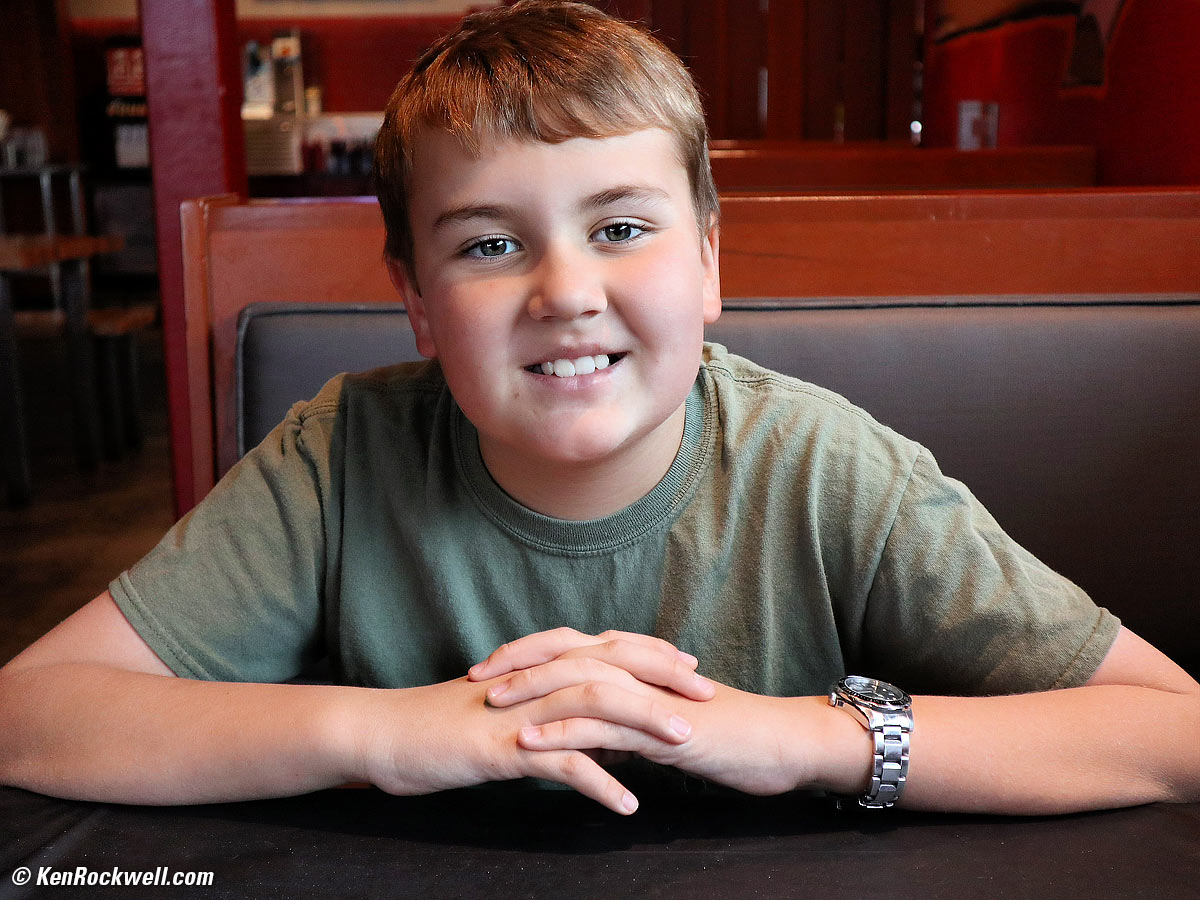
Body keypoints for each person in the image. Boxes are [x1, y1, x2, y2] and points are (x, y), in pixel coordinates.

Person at [1, 1, 1197, 817]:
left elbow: (1172, 728)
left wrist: (790, 738)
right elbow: (32, 714)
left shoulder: (828, 466)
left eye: (621, 227)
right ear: (416, 305)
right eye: (488, 244)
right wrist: (394, 733)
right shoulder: (338, 458)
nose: (566, 292)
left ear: (712, 263)